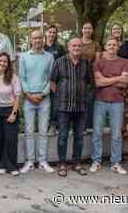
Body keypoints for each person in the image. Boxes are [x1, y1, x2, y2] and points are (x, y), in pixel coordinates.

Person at [50, 38, 91, 177]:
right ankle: (62, 163)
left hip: (81, 107)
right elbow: (52, 82)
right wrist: (61, 95)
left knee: (79, 137)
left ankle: (76, 163)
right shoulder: (59, 62)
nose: (76, 48)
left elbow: (89, 82)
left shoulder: (86, 63)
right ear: (68, 47)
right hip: (63, 107)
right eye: (74, 45)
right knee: (62, 137)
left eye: (79, 45)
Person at [90, 37, 128, 175]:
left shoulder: (125, 62)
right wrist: (118, 78)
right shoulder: (98, 63)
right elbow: (98, 83)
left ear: (118, 47)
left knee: (116, 135)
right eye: (109, 44)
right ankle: (96, 161)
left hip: (117, 102)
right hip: (100, 101)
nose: (112, 46)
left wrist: (106, 79)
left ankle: (115, 163)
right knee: (97, 133)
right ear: (105, 47)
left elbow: (124, 83)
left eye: (114, 45)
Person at [19, 30, 54, 174]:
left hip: (44, 99)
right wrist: (28, 94)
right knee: (28, 131)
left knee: (43, 131)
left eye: (40, 38)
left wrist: (43, 93)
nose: (37, 40)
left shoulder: (49, 57)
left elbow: (51, 78)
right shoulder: (24, 57)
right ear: (31, 40)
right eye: (34, 38)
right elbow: (22, 77)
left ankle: (43, 161)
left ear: (43, 39)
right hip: (28, 99)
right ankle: (30, 161)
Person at [0, 52, 20, 176]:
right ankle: (0, 164)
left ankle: (12, 166)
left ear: (8, 64)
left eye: (5, 61)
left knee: (11, 139)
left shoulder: (14, 77)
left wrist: (14, 113)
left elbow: (17, 97)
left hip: (9, 111)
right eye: (0, 61)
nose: (2, 63)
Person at [110, 23, 128, 136]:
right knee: (113, 103)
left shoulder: (127, 44)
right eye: (114, 29)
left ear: (122, 31)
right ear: (111, 31)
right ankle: (114, 128)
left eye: (118, 28)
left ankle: (124, 128)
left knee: (125, 103)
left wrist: (123, 72)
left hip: (125, 78)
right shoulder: (109, 44)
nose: (116, 30)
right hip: (112, 78)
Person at [44, 24, 66, 135]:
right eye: (50, 32)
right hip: (42, 80)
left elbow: (64, 63)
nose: (52, 34)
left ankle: (53, 126)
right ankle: (42, 126)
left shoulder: (59, 48)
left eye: (54, 32)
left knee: (54, 103)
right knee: (43, 103)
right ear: (46, 33)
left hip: (55, 80)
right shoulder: (41, 46)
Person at [81, 22, 101, 130]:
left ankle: (88, 125)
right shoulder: (77, 42)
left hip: (91, 76)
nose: (87, 30)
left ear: (92, 30)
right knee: (79, 100)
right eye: (85, 28)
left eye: (89, 28)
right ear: (82, 30)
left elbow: (97, 61)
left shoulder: (96, 44)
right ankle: (79, 126)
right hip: (78, 75)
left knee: (90, 101)